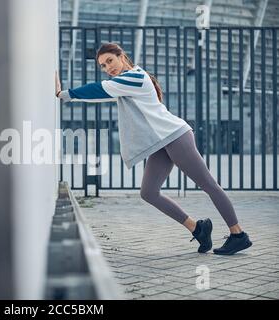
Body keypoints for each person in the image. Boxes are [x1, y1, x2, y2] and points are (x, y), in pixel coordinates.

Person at [55, 42, 252, 255]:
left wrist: (64, 93)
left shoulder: (135, 77)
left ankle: (238, 234)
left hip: (175, 136)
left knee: (208, 184)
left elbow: (99, 88)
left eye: (110, 61)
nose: (107, 68)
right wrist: (68, 95)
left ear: (122, 56)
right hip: (160, 142)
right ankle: (198, 228)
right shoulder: (123, 82)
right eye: (103, 66)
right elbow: (102, 93)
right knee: (148, 193)